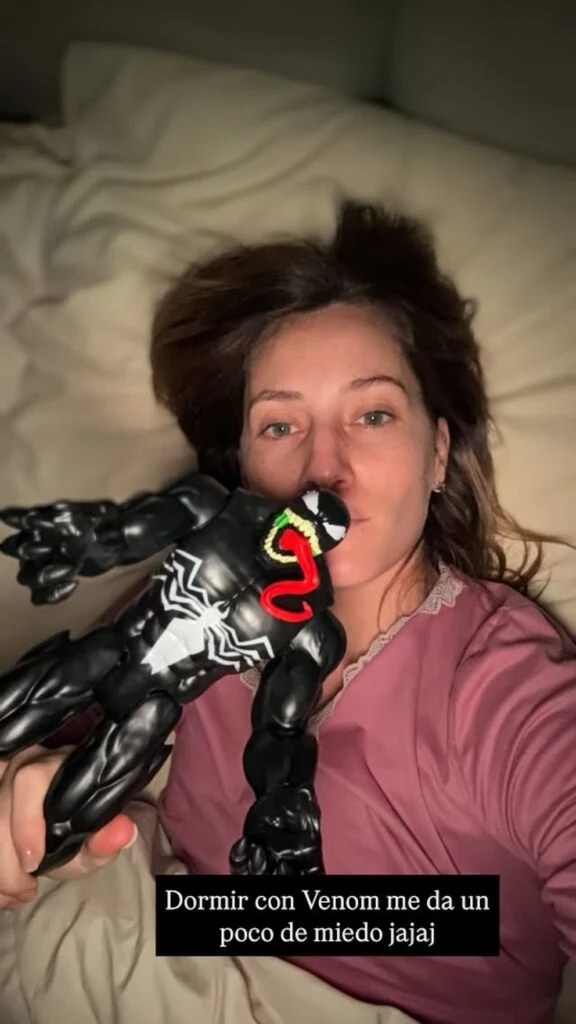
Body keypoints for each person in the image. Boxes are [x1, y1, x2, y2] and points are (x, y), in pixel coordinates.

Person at [0, 199, 574, 1024]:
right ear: (240, 465)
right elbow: (60, 724)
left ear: (440, 451)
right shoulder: (196, 591)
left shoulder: (508, 689)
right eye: (279, 425)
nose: (323, 469)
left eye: (372, 414)